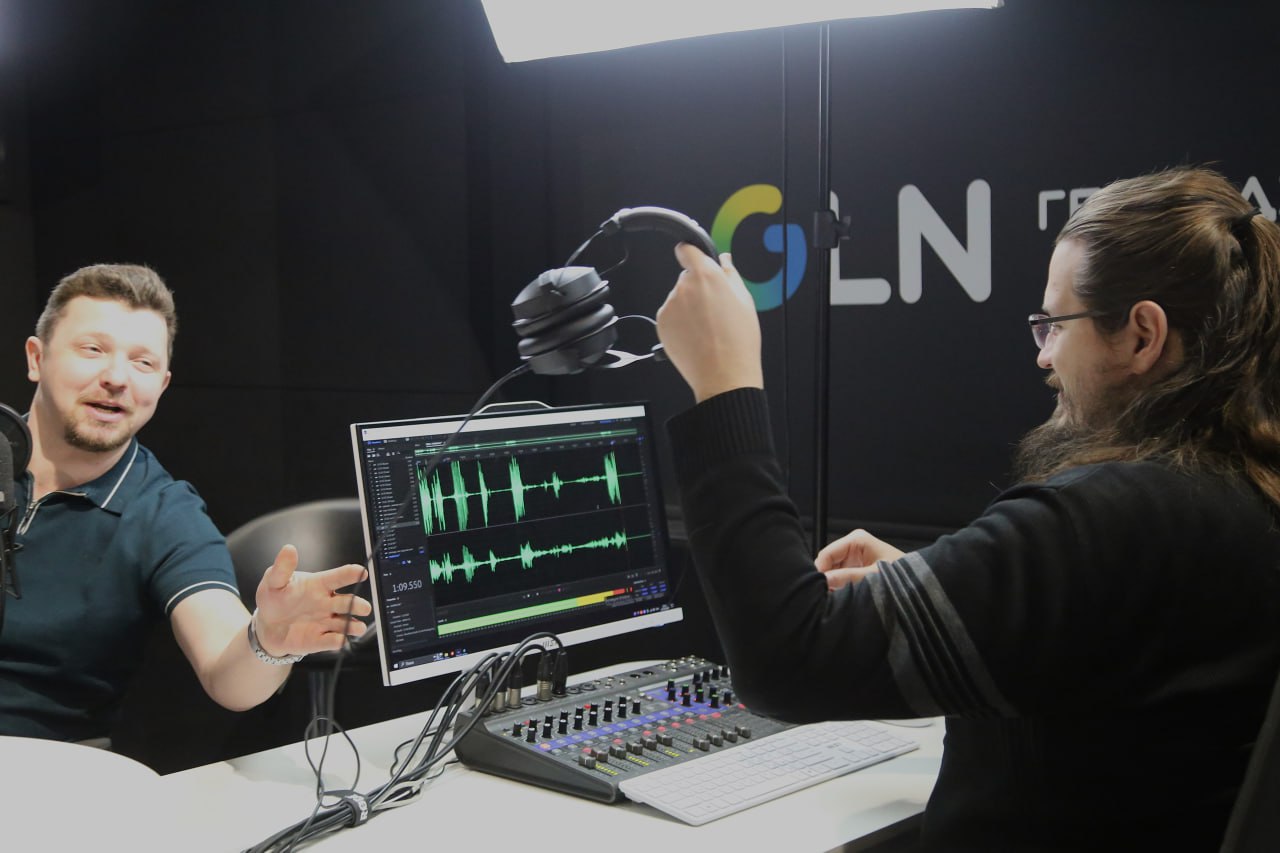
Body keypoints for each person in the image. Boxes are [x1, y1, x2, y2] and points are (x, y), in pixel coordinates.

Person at [654, 166, 1280, 850]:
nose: (1044, 357)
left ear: (1141, 335)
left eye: (1055, 324)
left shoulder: (1108, 519)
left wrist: (724, 384)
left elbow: (787, 656)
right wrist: (946, 596)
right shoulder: (1243, 496)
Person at [0, 264, 372, 744]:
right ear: (37, 357)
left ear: (162, 385)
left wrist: (268, 640)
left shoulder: (163, 512)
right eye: (93, 350)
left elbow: (227, 670)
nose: (116, 377)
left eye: (143, 363)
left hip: (51, 765)